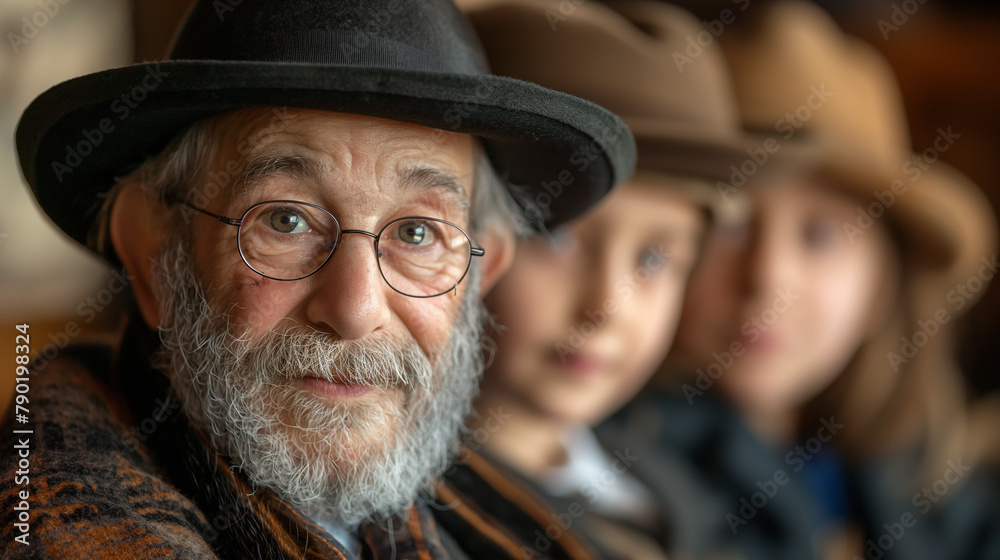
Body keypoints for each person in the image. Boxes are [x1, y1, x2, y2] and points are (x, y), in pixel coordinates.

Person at [0, 1, 637, 558]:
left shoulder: (507, 527)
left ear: (482, 272)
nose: (355, 308)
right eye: (285, 219)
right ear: (153, 252)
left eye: (417, 234)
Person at [605, 3, 1000, 559]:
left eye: (819, 237)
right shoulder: (624, 483)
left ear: (882, 284)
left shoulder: (937, 487)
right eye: (731, 227)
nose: (768, 278)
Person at [456, 2, 767, 558]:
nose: (605, 307)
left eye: (653, 260)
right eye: (557, 239)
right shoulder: (417, 521)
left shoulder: (666, 484)